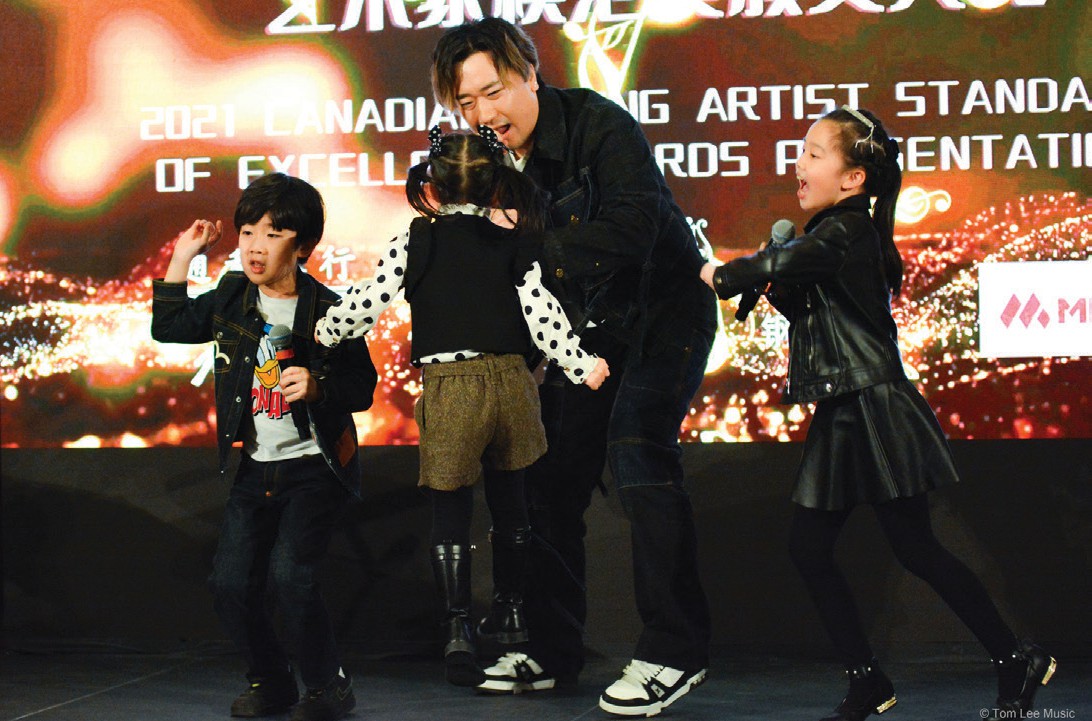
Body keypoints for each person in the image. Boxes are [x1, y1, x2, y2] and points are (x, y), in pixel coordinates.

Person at [701, 106, 1056, 721]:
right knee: (814, 549)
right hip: (845, 407)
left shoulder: (847, 231)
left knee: (914, 549)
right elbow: (815, 309)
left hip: (873, 407)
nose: (799, 164)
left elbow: (781, 267)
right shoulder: (829, 239)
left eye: (814, 153)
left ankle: (1010, 658)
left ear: (854, 178)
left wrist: (724, 272)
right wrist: (774, 284)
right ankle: (869, 678)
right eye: (801, 151)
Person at [428, 17, 718, 717]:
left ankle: (675, 650)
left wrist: (526, 244)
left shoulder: (599, 126)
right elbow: (514, 280)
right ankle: (554, 651)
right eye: (465, 103)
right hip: (591, 330)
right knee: (549, 480)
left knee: (637, 450)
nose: (483, 114)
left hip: (664, 311)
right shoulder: (491, 165)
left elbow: (633, 229)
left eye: (493, 91)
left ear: (530, 73)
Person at [314, 126, 610, 689]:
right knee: (512, 505)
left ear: (433, 184)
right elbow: (542, 313)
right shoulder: (515, 240)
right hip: (513, 381)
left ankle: (456, 628)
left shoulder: (417, 238)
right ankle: (512, 612)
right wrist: (581, 364)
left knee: (450, 509)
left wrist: (327, 329)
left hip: (451, 386)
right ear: (495, 183)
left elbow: (368, 300)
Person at [151, 173, 376, 721]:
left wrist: (319, 387)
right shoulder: (232, 297)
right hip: (255, 469)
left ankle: (327, 686)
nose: (255, 246)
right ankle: (272, 682)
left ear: (302, 246)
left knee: (292, 578)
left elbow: (362, 388)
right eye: (247, 231)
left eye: (272, 234)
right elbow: (170, 325)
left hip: (314, 466)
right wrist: (182, 256)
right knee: (229, 583)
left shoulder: (329, 309)